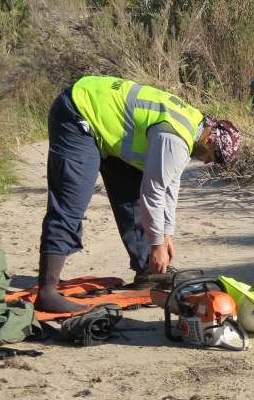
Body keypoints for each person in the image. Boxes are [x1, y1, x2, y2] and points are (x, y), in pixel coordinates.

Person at [36, 76, 242, 314]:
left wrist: (166, 234)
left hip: (104, 124)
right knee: (71, 203)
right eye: (211, 157)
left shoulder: (191, 128)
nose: (206, 162)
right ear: (209, 140)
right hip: (77, 111)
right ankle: (47, 292)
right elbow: (153, 192)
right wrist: (156, 245)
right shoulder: (176, 138)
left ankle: (148, 271)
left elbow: (169, 185)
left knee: (130, 189)